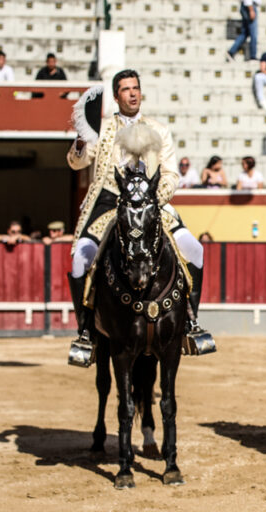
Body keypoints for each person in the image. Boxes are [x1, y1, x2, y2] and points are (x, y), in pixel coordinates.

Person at [66, 69, 213, 366]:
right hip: (108, 205)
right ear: (117, 95)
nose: (132, 93)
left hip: (151, 207)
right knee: (80, 259)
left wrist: (152, 201)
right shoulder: (104, 128)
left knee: (194, 250)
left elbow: (171, 174)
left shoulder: (158, 129)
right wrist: (81, 142)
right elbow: (76, 162)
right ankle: (85, 333)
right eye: (125, 89)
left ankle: (190, 323)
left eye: (136, 88)